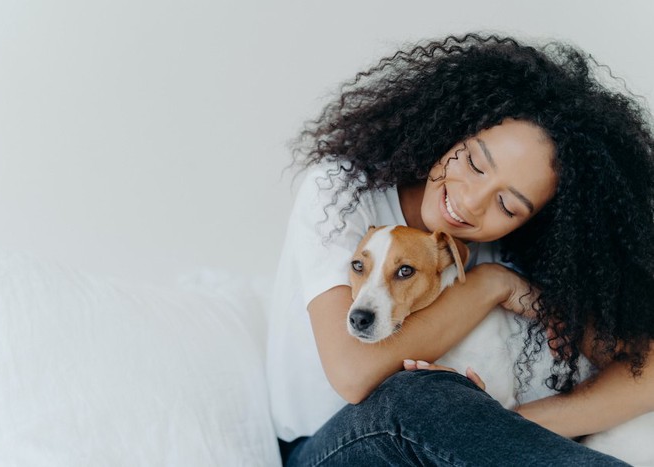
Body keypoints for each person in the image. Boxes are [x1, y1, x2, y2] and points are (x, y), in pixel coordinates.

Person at [266, 33, 654, 466]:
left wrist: (511, 424)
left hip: (456, 439)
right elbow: (354, 373)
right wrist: (492, 285)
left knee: (443, 398)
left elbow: (648, 370)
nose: (470, 202)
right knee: (419, 394)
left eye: (507, 204)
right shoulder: (343, 192)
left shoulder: (513, 249)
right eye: (473, 162)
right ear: (454, 129)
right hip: (324, 448)